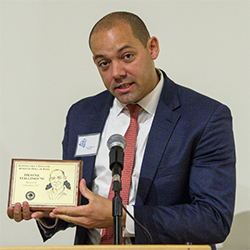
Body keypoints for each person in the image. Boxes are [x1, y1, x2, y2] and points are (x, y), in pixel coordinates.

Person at [7, 11, 236, 249]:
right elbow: (79, 203)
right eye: (104, 63)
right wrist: (46, 213)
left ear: (152, 48)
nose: (116, 73)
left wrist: (123, 218)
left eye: (127, 56)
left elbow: (213, 219)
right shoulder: (82, 114)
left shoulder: (204, 117)